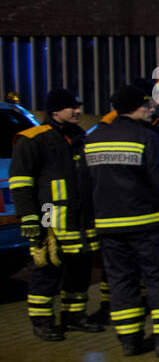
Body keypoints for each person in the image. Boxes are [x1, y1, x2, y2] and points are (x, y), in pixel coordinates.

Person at [85, 86, 159, 357]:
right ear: (135, 107)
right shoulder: (146, 137)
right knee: (158, 279)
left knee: (120, 282)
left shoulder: (93, 138)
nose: (153, 108)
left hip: (108, 226)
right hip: (146, 224)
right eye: (148, 105)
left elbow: (84, 184)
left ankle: (130, 341)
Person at [9, 88, 102, 341]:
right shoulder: (33, 138)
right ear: (54, 111)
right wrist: (28, 216)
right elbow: (20, 182)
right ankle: (42, 321)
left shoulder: (80, 136)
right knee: (47, 272)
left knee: (80, 270)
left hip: (81, 221)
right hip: (50, 220)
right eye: (72, 107)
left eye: (78, 107)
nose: (78, 111)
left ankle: (74, 316)